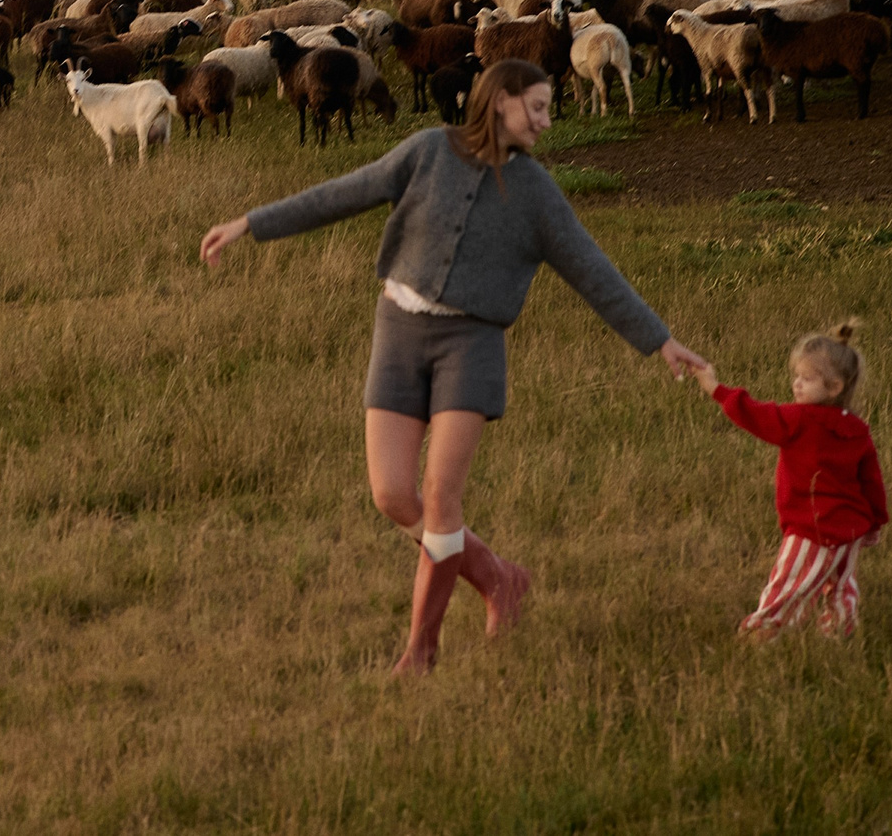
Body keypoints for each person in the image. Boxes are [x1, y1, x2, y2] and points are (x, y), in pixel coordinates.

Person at [199, 58, 710, 675]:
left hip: (473, 346)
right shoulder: (428, 151)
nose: (548, 121)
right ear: (500, 102)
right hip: (399, 333)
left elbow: (592, 271)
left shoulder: (537, 193)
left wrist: (660, 340)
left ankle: (421, 649)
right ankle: (498, 576)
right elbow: (345, 193)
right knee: (391, 494)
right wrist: (251, 224)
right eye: (539, 107)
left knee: (441, 500)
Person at [692, 320, 888, 639]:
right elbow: (871, 482)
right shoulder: (856, 428)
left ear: (834, 388)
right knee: (841, 586)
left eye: (807, 379)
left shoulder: (798, 420)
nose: (797, 384)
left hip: (813, 528)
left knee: (788, 585)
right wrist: (875, 522)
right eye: (796, 376)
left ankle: (764, 632)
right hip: (851, 529)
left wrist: (714, 387)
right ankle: (840, 631)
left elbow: (753, 414)